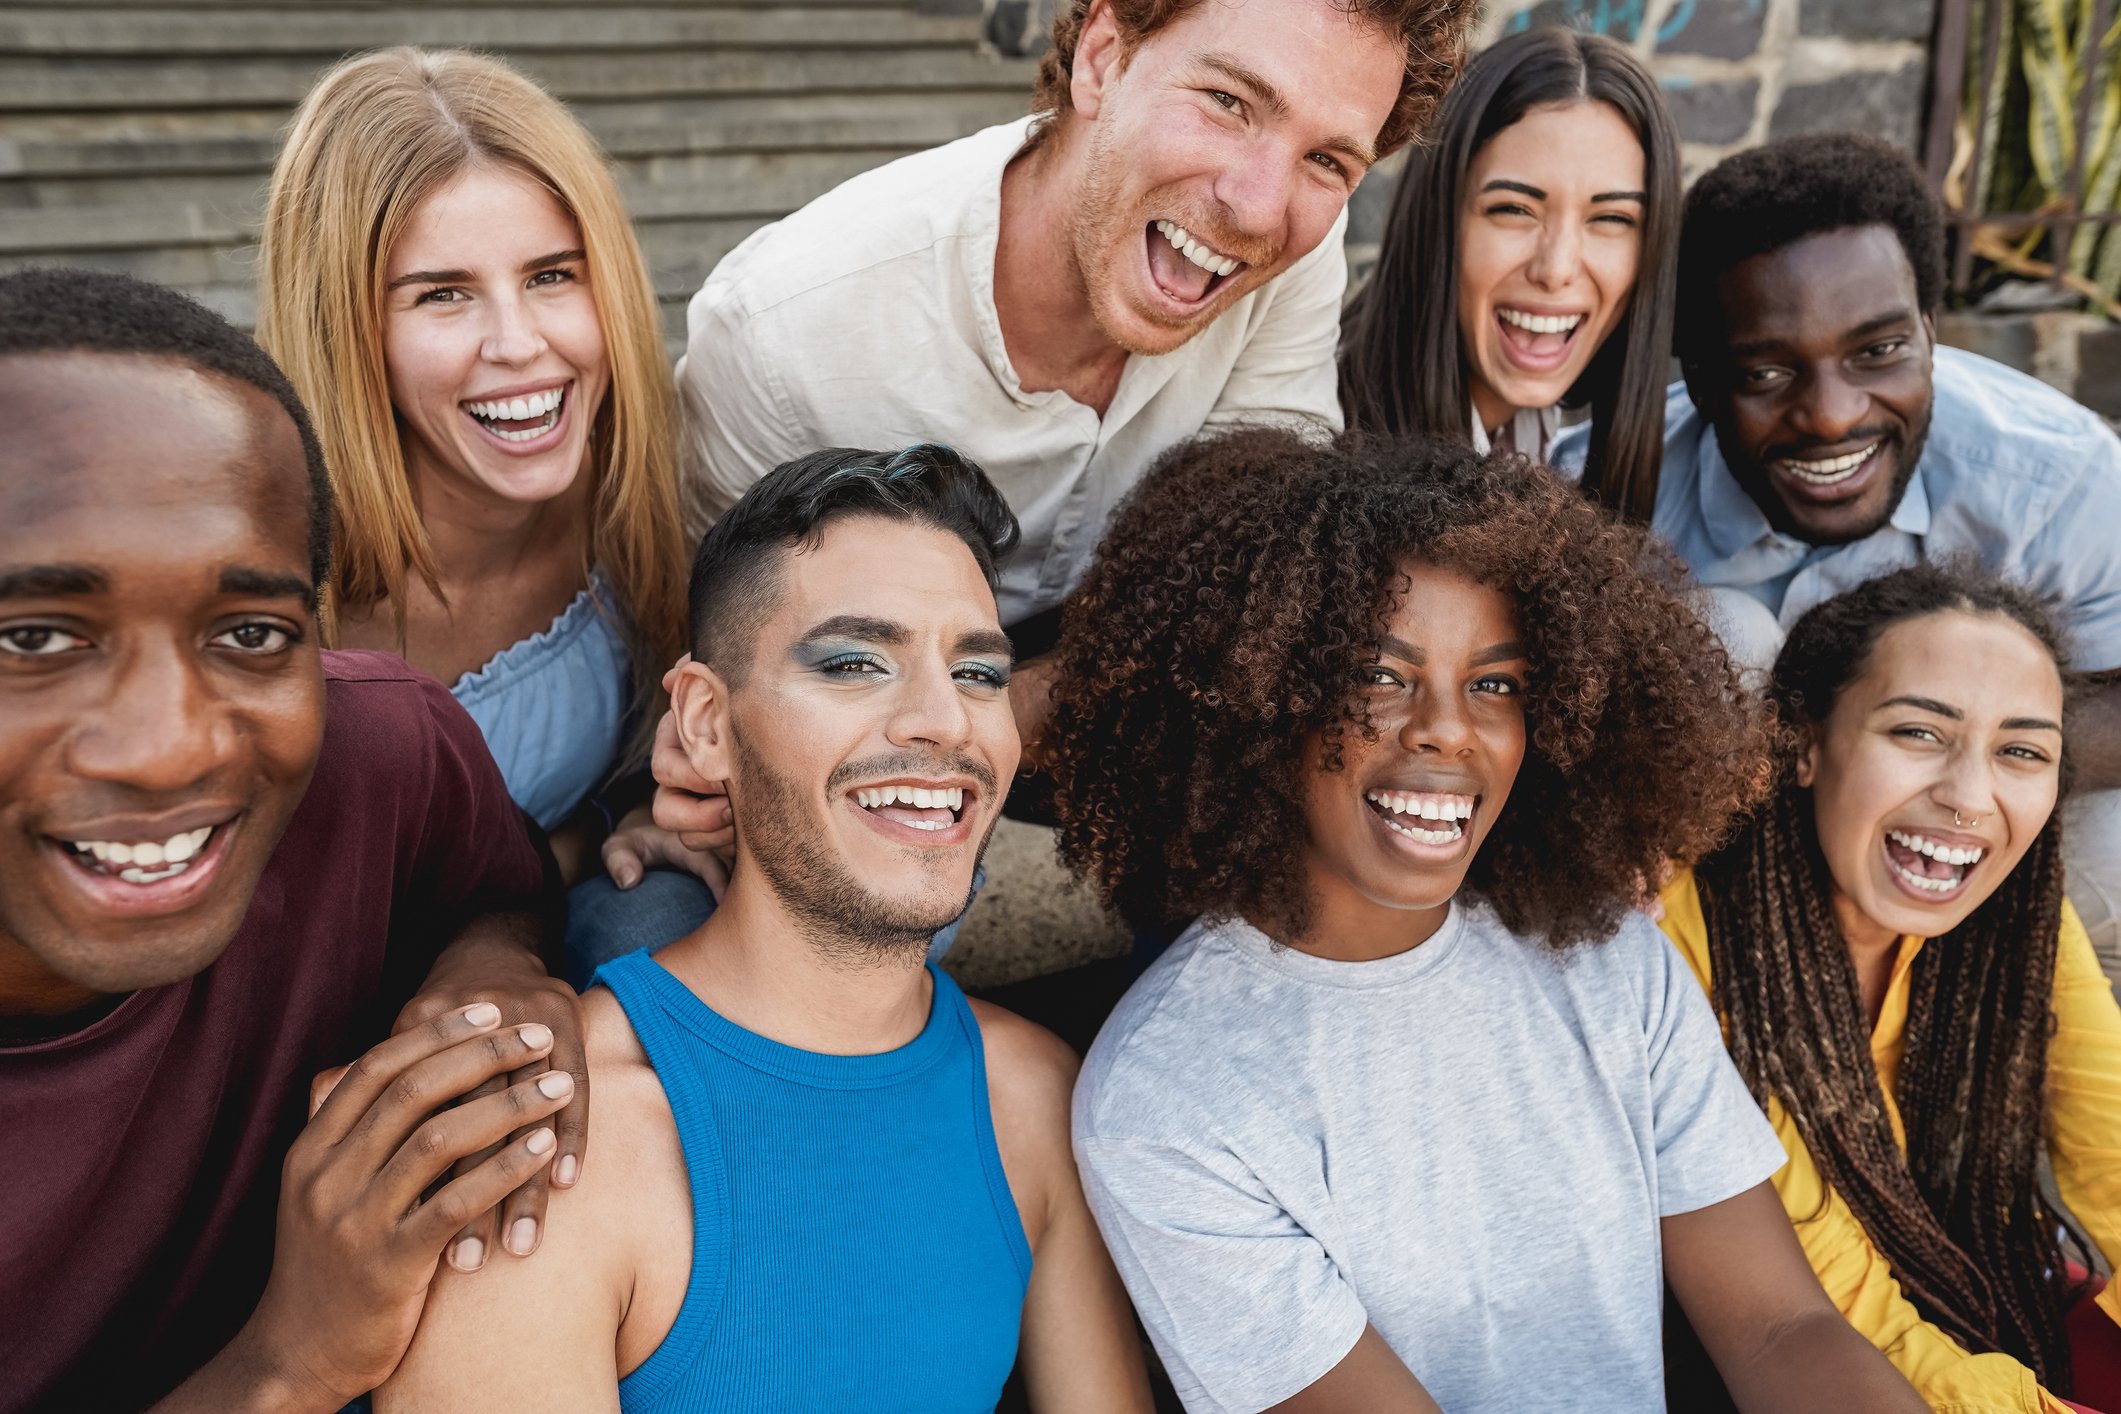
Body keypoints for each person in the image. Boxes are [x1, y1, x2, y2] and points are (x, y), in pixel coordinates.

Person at [1047, 428, 1928, 1412]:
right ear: (1263, 694)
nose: (1448, 728)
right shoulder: (1171, 1096)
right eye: (1378, 675)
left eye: (1496, 684)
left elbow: (1781, 1327)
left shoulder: (1608, 960)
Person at [375, 446, 1152, 1412]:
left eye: (978, 671)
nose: (941, 719)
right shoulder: (550, 1152)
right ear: (705, 725)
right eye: (854, 663)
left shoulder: (1030, 1095)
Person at [651, 0, 1475, 857]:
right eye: (1228, 102)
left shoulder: (1291, 246)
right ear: (1103, 57)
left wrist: (1005, 710)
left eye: (1326, 158)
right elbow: (738, 698)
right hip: (865, 720)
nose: (1259, 206)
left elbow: (1265, 586)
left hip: (1079, 698)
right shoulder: (785, 331)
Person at [0, 269, 591, 1413]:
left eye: (252, 631)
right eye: (35, 636)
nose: (168, 747)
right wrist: (293, 1357)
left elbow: (490, 883)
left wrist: (495, 976)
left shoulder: (375, 758)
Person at [1554, 131, 2121, 974]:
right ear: (1702, 381)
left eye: (1878, 351)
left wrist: (1913, 754)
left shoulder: (2056, 476)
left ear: (1929, 333)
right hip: (1715, 858)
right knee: (1728, 640)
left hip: (1954, 845)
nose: (1829, 415)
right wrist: (1794, 750)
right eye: (1768, 373)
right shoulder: (1603, 484)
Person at [258, 48, 712, 981]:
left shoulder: (627, 497)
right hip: (304, 982)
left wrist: (627, 819)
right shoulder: (271, 571)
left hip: (521, 928)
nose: (519, 345)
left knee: (680, 922)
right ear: (346, 328)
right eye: (443, 294)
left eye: (552, 276)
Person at [1658, 562, 2121, 1414]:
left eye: (2020, 751)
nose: (1968, 797)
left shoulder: (2015, 922)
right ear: (1801, 743)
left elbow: (2115, 1153)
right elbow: (1828, 1300)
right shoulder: (1682, 937)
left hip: (1952, 1301)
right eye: (1916, 733)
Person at [1338, 25, 1678, 518]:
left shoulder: (1542, 446)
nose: (1556, 269)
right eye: (1513, 210)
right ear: (1438, 219)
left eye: (1610, 219)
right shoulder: (1326, 447)